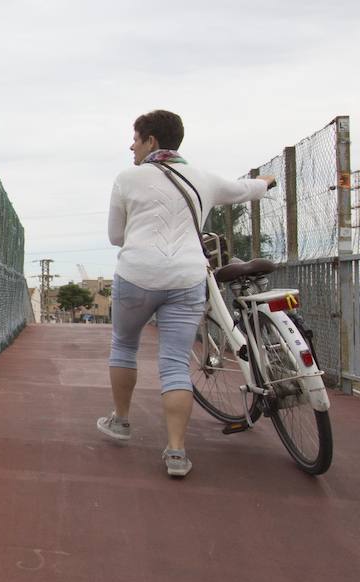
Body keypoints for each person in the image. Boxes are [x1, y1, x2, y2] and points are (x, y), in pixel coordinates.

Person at [97, 109, 274, 477]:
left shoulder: (128, 178)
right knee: (175, 362)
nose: (131, 145)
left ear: (151, 141)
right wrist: (268, 182)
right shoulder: (203, 178)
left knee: (124, 345)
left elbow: (116, 237)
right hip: (186, 278)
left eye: (135, 138)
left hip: (137, 275)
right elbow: (247, 190)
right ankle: (176, 451)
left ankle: (122, 421)